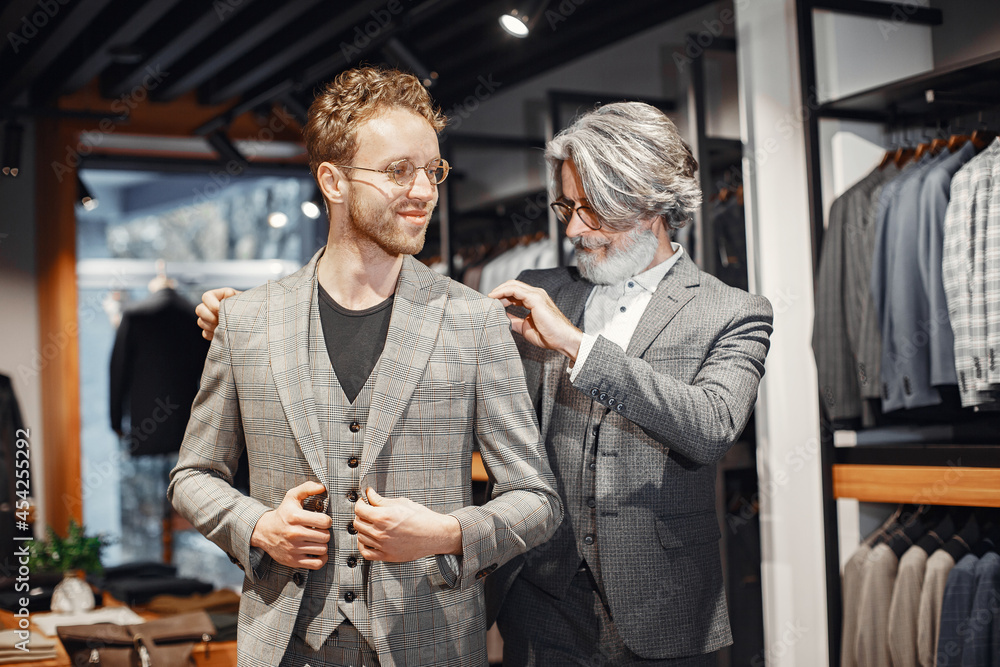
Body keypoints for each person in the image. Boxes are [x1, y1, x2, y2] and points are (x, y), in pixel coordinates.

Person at [198, 101, 773, 665]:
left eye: (591, 209)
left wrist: (577, 344)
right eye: (565, 206)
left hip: (663, 606)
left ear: (648, 198)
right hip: (538, 602)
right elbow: (418, 333)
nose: (572, 227)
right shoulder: (534, 290)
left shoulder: (731, 312)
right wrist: (255, 320)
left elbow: (709, 425)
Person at [169, 66, 562, 667]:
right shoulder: (246, 321)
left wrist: (446, 534)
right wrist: (257, 526)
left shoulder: (473, 320)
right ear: (333, 180)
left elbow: (536, 499)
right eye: (398, 171)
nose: (425, 190)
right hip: (285, 645)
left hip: (430, 643)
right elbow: (193, 475)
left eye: (433, 170)